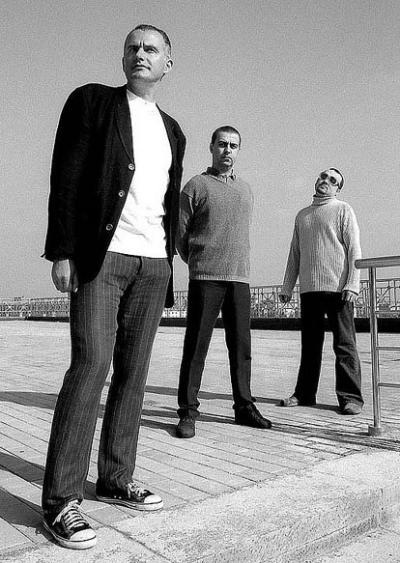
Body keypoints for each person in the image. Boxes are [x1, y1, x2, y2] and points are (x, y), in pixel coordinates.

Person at [42, 24, 186, 549]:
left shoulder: (173, 130)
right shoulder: (92, 103)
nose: (139, 54)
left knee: (134, 371)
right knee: (91, 364)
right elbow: (66, 176)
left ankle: (115, 477)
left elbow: (167, 201)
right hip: (102, 259)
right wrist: (62, 250)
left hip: (154, 263)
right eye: (132, 47)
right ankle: (61, 500)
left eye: (151, 48)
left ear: (168, 62)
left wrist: (169, 262)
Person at [175, 126, 271, 439]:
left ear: (238, 150)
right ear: (212, 147)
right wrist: (199, 261)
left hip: (239, 279)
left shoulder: (246, 189)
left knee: (242, 347)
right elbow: (180, 234)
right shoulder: (195, 185)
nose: (227, 150)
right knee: (196, 347)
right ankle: (188, 411)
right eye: (222, 144)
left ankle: (244, 406)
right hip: (206, 278)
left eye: (233, 145)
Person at [279, 168, 363, 415]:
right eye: (323, 177)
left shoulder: (343, 210)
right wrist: (287, 286)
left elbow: (354, 249)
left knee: (344, 345)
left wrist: (353, 284)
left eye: (333, 180)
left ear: (338, 188)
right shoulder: (302, 215)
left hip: (338, 290)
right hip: (309, 290)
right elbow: (295, 253)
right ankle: (304, 394)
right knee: (310, 345)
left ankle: (350, 398)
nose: (326, 181)